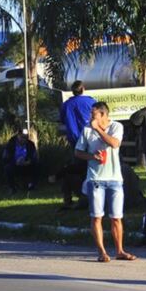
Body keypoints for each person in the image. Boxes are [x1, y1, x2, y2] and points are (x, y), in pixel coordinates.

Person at [74, 101, 137, 263]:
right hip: (95, 179)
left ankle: (120, 250)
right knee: (97, 217)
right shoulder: (87, 129)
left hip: (115, 179)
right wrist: (91, 156)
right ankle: (101, 251)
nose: (91, 117)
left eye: (94, 114)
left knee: (116, 217)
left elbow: (115, 144)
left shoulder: (116, 127)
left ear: (103, 115)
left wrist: (98, 129)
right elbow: (78, 152)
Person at [58, 80, 96, 208]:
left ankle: (76, 196)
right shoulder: (91, 102)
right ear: (83, 89)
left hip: (75, 141)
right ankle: (87, 196)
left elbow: (62, 119)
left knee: (75, 168)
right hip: (90, 141)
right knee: (90, 168)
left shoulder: (67, 104)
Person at [2, 125, 38, 194]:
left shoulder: (30, 144)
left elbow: (34, 156)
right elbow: (5, 158)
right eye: (22, 137)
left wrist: (29, 161)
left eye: (25, 137)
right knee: (7, 168)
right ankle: (12, 187)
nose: (24, 139)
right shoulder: (10, 144)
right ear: (18, 136)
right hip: (15, 165)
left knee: (36, 165)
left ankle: (32, 185)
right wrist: (15, 162)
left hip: (27, 165)